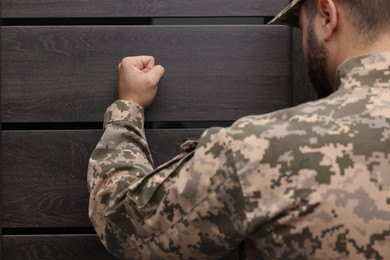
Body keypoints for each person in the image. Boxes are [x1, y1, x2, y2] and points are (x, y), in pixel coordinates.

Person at [87, 0, 390, 258]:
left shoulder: (267, 149)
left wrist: (127, 108)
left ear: (327, 15)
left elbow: (122, 222)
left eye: (301, 27)